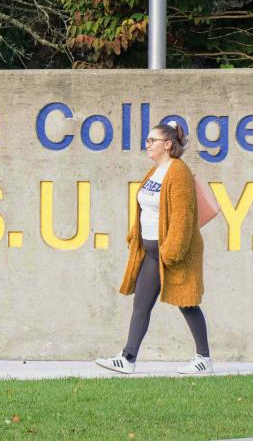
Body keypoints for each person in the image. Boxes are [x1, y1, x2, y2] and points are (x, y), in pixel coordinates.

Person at [96, 123, 211, 375]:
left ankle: (204, 359)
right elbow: (144, 207)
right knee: (141, 304)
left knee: (187, 302)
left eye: (152, 140)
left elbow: (182, 215)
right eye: (147, 140)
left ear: (168, 144)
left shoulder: (178, 172)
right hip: (150, 253)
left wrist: (172, 253)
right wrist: (135, 235)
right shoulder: (155, 170)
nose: (147, 144)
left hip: (174, 254)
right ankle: (128, 357)